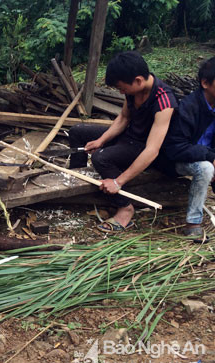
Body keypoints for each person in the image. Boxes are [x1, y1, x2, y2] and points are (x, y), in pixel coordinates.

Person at [68, 51, 177, 232]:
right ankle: (76, 181)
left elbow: (152, 150)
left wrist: (118, 182)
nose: (121, 92)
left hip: (146, 148)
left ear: (139, 80)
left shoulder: (164, 101)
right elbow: (123, 118)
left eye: (122, 89)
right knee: (77, 132)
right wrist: (100, 140)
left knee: (101, 158)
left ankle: (125, 207)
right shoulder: (133, 91)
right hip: (129, 137)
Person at [162, 55, 215, 241]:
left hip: (211, 156)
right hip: (178, 160)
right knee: (206, 167)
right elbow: (176, 147)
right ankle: (193, 223)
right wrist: (212, 158)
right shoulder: (187, 107)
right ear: (205, 83)